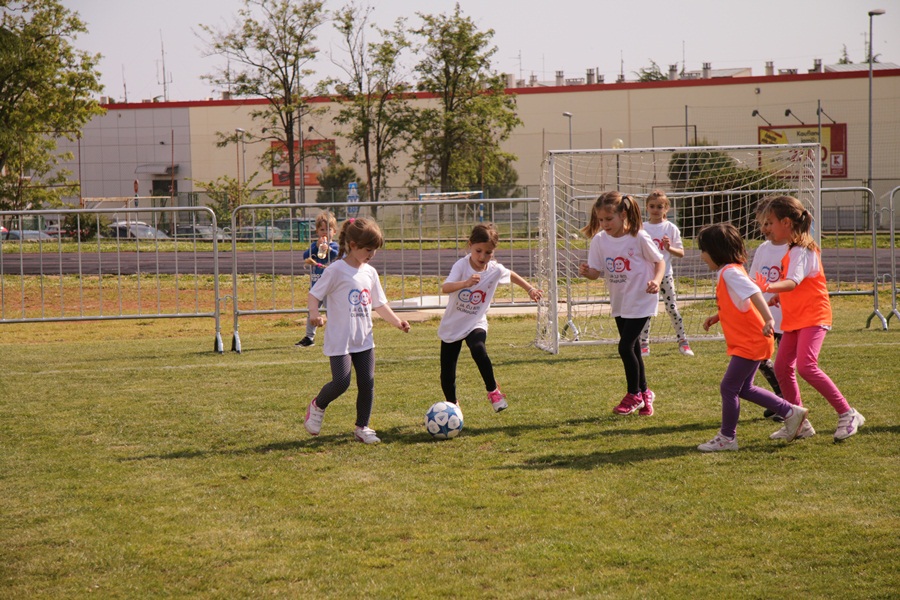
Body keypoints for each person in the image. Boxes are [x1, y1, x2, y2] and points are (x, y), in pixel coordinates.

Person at [755, 195, 865, 442]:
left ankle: (848, 413)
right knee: (782, 368)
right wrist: (778, 299)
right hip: (795, 319)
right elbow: (799, 285)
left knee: (806, 366)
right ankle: (799, 422)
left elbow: (793, 281)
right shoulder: (792, 250)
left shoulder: (803, 249)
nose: (766, 229)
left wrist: (770, 287)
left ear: (785, 222)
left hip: (813, 317)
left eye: (769, 222)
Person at [696, 223, 809, 451]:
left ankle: (727, 438)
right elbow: (741, 302)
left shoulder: (729, 273)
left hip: (751, 341)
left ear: (715, 251)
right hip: (752, 340)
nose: (701, 256)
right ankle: (793, 414)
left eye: (703, 250)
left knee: (728, 388)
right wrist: (718, 316)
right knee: (744, 388)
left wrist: (769, 319)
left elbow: (754, 293)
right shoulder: (731, 271)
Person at [303, 217, 411, 444]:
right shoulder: (336, 270)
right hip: (340, 339)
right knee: (341, 382)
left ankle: (362, 427)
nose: (372, 255)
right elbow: (315, 294)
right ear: (353, 245)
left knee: (367, 383)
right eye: (368, 250)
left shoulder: (370, 273)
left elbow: (379, 304)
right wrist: (314, 314)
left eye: (375, 251)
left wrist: (397, 322)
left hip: (364, 340)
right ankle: (318, 405)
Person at [438, 223, 543, 412]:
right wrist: (466, 283)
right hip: (452, 325)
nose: (482, 257)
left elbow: (510, 274)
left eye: (488, 253)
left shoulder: (493, 269)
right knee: (447, 374)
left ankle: (493, 391)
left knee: (478, 348)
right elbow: (446, 287)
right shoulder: (461, 266)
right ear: (470, 245)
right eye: (478, 251)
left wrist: (530, 289)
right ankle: (452, 406)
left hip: (475, 322)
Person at [578, 191, 665, 416]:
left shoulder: (639, 237)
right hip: (620, 300)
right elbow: (597, 273)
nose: (604, 224)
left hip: (641, 299)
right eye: (601, 220)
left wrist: (655, 281)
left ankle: (633, 394)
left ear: (623, 214)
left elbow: (659, 262)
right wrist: (588, 272)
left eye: (609, 219)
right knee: (633, 347)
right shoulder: (599, 240)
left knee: (625, 347)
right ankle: (646, 393)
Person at [747, 198, 788, 423]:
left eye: (768, 223)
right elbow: (754, 279)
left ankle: (789, 405)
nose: (764, 229)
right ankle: (780, 398)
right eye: (761, 224)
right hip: (765, 317)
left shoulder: (793, 249)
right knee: (761, 358)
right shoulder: (763, 248)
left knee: (784, 366)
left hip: (786, 318)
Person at [639, 189, 693, 357]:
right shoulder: (642, 228)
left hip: (666, 275)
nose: (656, 210)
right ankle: (643, 344)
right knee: (646, 311)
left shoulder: (671, 228)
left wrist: (669, 248)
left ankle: (683, 341)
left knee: (671, 308)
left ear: (667, 208)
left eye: (660, 206)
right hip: (648, 277)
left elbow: (681, 252)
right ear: (647, 208)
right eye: (652, 206)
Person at [296, 211, 339, 347]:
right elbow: (305, 256)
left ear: (334, 232)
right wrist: (316, 247)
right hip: (316, 285)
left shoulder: (335, 246)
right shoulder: (314, 246)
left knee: (332, 312)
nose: (325, 233)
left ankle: (336, 335)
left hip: (331, 288)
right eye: (322, 229)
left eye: (328, 229)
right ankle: (309, 337)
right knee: (312, 312)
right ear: (317, 231)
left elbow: (337, 256)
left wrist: (328, 250)